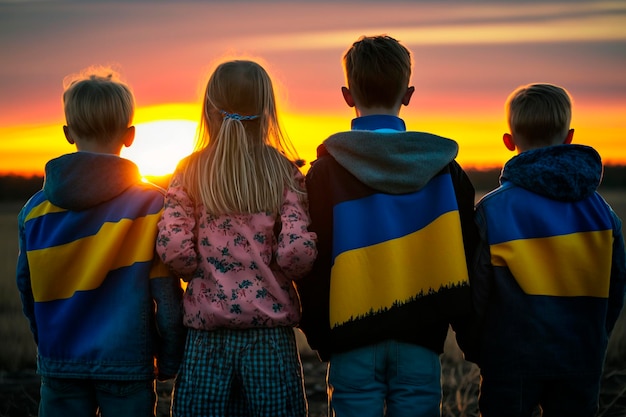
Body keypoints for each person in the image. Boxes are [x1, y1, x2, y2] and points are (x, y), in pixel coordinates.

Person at [296, 35, 478, 417]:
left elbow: (312, 265)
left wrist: (321, 337)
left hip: (350, 341)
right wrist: (468, 334)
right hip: (422, 340)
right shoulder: (445, 171)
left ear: (347, 95)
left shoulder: (325, 174)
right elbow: (469, 257)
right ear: (408, 94)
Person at [16, 67, 186, 417]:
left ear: (68, 133)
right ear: (130, 135)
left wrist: (47, 345)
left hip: (59, 359)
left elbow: (27, 290)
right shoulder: (151, 205)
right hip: (128, 362)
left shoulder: (34, 212)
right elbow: (165, 294)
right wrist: (170, 358)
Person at [156, 59, 317, 417]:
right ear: (266, 111)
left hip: (206, 339)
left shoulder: (189, 171)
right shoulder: (284, 170)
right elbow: (298, 254)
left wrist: (197, 270)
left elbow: (173, 247)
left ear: (210, 112)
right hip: (270, 341)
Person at [471, 83, 626, 417]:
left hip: (509, 358)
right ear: (569, 137)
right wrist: (597, 337)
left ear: (509, 142)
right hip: (581, 355)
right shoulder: (603, 214)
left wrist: (477, 346)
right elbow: (617, 286)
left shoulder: (493, 211)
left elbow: (477, 290)